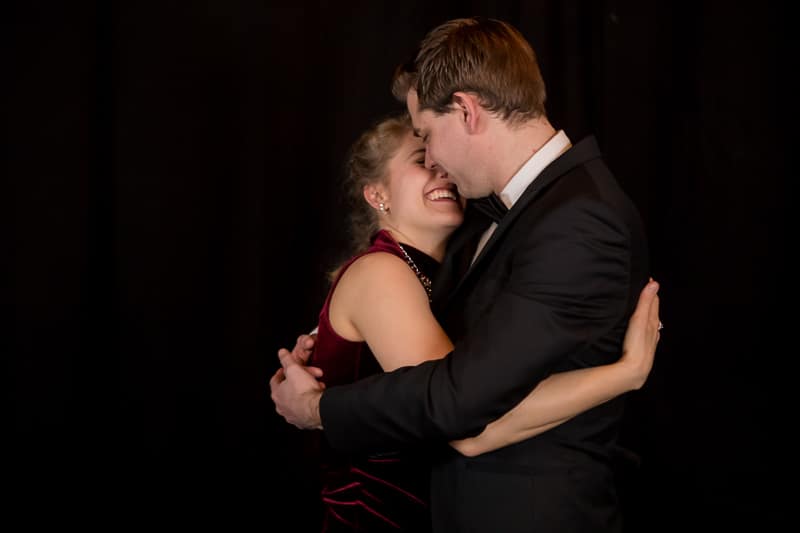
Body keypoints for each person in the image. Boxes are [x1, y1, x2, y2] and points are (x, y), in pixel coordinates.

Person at [272, 17, 656, 532]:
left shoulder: (577, 220)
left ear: (467, 111)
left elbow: (462, 407)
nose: (434, 159)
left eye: (427, 136)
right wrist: (334, 349)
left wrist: (320, 407)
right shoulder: (499, 220)